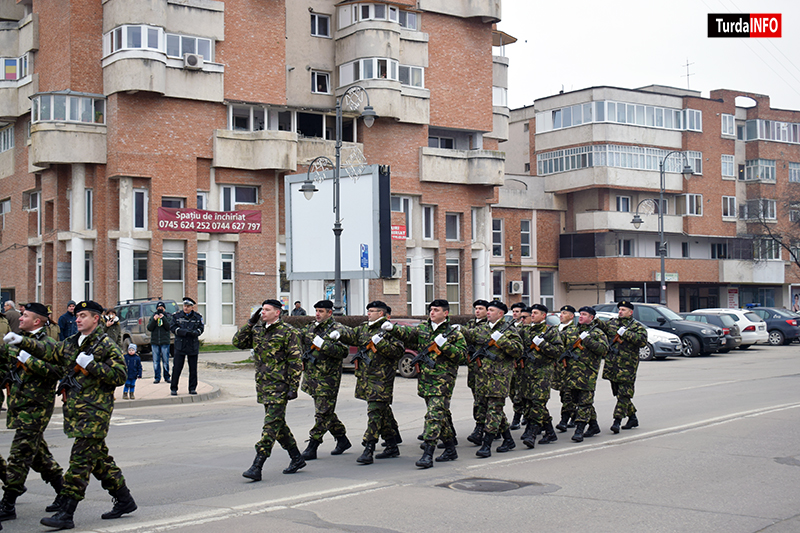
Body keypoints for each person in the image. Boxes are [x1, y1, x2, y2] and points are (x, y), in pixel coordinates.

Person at [13, 300, 136, 530]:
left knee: (79, 462)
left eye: (83, 316)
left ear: (96, 319)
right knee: (98, 460)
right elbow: (51, 351)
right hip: (77, 412)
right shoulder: (72, 342)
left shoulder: (106, 345)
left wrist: (92, 365)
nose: (78, 319)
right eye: (77, 316)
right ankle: (125, 499)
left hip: (95, 413)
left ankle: (66, 512)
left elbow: (120, 376)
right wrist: (23, 341)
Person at [382, 299, 466, 468]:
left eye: (436, 310)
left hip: (443, 382)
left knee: (433, 416)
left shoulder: (454, 334)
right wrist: (393, 328)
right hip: (426, 381)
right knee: (440, 417)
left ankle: (428, 453)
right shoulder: (423, 329)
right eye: (431, 309)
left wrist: (446, 346)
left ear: (446, 313)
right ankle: (450, 449)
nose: (432, 312)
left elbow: (462, 357)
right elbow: (407, 333)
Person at [0, 303, 64, 522]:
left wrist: (28, 360)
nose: (20, 319)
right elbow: (4, 365)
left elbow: (56, 371)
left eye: (25, 316)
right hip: (19, 405)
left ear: (37, 321)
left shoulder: (48, 344)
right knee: (38, 455)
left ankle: (8, 504)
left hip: (37, 406)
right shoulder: (15, 339)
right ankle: (64, 492)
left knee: (19, 455)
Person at [232, 299, 305, 481]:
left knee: (270, 426)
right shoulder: (258, 331)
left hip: (280, 387)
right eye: (261, 310)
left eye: (266, 310)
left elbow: (295, 362)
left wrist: (293, 386)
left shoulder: (288, 332)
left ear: (277, 313)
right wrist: (250, 323)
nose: (262, 312)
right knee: (278, 425)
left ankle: (258, 465)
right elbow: (237, 342)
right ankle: (296, 458)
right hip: (264, 386)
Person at [335, 301, 405, 464]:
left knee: (374, 413)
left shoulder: (389, 329)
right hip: (366, 377)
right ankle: (392, 444)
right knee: (382, 412)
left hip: (381, 378)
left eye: (372, 311)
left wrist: (381, 343)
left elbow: (397, 351)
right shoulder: (364, 327)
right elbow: (353, 336)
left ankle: (369, 448)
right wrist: (340, 333)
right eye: (368, 310)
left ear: (381, 313)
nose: (369, 313)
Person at [463, 300, 522, 458]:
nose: (487, 312)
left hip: (499, 378)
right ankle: (508, 440)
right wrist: (456, 330)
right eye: (487, 310)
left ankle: (487, 444)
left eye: (491, 310)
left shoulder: (508, 330)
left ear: (500, 314)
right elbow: (469, 335)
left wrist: (501, 340)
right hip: (482, 377)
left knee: (494, 410)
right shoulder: (482, 328)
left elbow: (518, 351)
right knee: (485, 409)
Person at [297, 300, 351, 460]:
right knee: (326, 412)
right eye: (316, 311)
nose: (317, 314)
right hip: (312, 377)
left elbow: (343, 351)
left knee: (322, 414)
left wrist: (324, 345)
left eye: (321, 311)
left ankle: (313, 445)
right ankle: (342, 439)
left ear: (329, 313)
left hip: (328, 378)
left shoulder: (337, 329)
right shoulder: (311, 327)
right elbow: (301, 339)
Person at [517, 304, 562, 448]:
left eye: (536, 313)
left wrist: (542, 344)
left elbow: (558, 351)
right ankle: (550, 432)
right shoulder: (526, 330)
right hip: (527, 373)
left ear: (543, 315)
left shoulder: (550, 331)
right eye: (532, 313)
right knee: (531, 404)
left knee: (537, 403)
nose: (533, 315)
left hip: (542, 373)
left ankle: (532, 433)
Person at [598, 301, 648, 433]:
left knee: (624, 395)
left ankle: (617, 421)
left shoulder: (637, 326)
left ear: (630, 312)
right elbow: (602, 326)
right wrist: (593, 318)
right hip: (612, 365)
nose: (620, 312)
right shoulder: (612, 323)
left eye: (623, 310)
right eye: (619, 309)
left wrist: (626, 333)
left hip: (627, 367)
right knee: (618, 393)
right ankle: (632, 417)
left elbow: (642, 341)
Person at [561, 306, 608, 443]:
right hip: (572, 373)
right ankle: (594, 425)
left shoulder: (598, 333)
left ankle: (579, 430)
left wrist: (587, 340)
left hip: (588, 374)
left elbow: (604, 350)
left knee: (585, 402)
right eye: (580, 314)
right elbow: (560, 344)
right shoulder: (572, 331)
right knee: (578, 401)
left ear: (591, 318)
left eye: (584, 314)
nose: (580, 316)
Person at [464, 299, 490, 446]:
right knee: (478, 398)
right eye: (476, 308)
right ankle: (485, 426)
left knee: (486, 400)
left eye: (481, 308)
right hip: (474, 369)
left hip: (487, 369)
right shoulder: (470, 324)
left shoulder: (488, 326)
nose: (478, 311)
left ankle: (482, 428)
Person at [170, 297, 204, 396]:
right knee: (177, 368)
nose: (186, 308)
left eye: (188, 306)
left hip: (192, 345)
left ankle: (192, 388)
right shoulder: (177, 316)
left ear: (192, 307)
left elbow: (201, 328)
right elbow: (172, 327)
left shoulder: (197, 317)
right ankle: (174, 388)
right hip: (180, 345)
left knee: (193, 369)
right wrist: (183, 332)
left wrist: (195, 332)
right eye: (185, 306)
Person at [553, 305, 577, 432]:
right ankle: (574, 415)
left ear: (571, 316)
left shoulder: (573, 330)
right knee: (563, 394)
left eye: (565, 313)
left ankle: (564, 420)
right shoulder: (556, 329)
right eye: (561, 313)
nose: (561, 315)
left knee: (568, 394)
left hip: (568, 368)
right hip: (557, 369)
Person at [508, 302, 527, 430]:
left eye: (517, 312)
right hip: (511, 366)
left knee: (520, 392)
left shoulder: (525, 327)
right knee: (512, 391)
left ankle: (518, 417)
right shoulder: (509, 325)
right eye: (513, 311)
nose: (515, 314)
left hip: (522, 366)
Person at [146, 302, 172, 384]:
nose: (160, 309)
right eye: (158, 307)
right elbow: (149, 328)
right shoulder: (153, 316)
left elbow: (169, 327)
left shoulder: (168, 316)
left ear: (164, 308)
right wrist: (154, 320)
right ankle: (157, 377)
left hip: (165, 341)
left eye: (162, 307)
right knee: (156, 361)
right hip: (155, 342)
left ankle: (167, 377)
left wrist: (163, 318)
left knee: (165, 360)